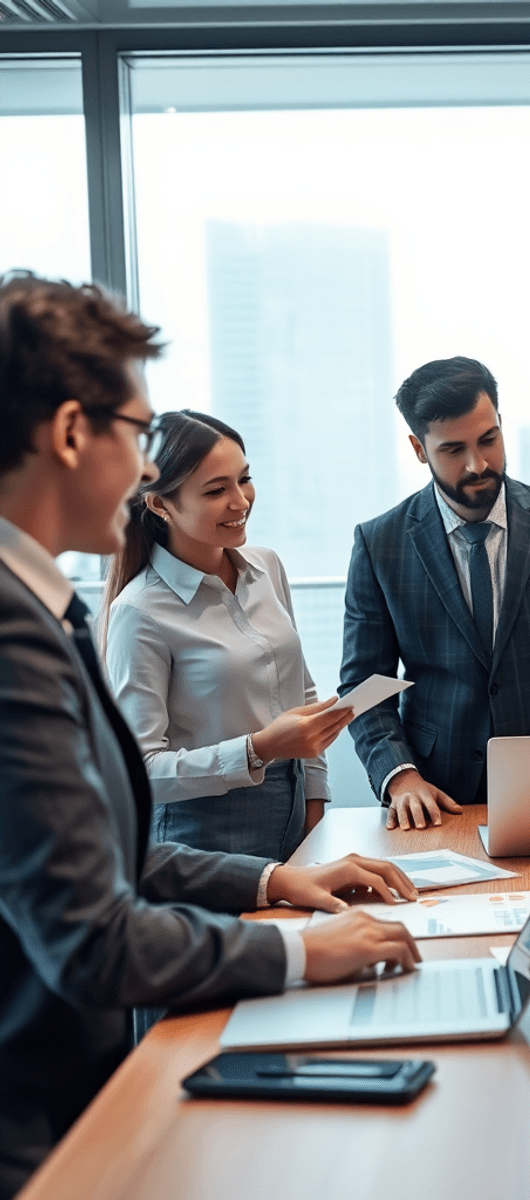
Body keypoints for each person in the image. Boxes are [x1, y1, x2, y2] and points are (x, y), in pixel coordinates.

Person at [0, 273, 421, 1198]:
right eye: (135, 433)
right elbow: (91, 934)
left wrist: (274, 881)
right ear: (71, 433)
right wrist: (303, 952)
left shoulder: (45, 604)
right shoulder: (22, 626)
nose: (141, 470)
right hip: (38, 1123)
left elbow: (106, 849)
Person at [340, 355, 530, 831]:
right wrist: (400, 776)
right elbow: (364, 684)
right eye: (453, 450)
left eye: (489, 439)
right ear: (418, 448)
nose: (478, 464)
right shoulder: (379, 543)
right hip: (433, 793)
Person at [103, 410, 344, 861]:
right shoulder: (139, 611)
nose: (241, 501)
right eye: (216, 490)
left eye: (244, 479)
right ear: (159, 504)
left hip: (293, 807)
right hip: (202, 832)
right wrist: (258, 749)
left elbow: (302, 692)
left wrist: (315, 799)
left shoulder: (266, 566)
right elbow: (140, 770)